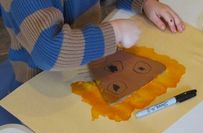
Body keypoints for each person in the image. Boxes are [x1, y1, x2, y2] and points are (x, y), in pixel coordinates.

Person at [0, 0, 184, 125]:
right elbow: (50, 52)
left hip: (90, 68)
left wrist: (144, 3)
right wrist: (116, 32)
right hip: (40, 87)